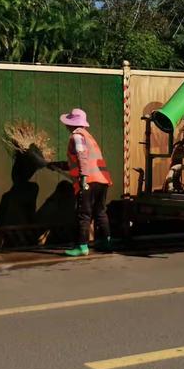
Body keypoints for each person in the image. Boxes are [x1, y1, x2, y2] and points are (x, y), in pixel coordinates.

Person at [55, 108, 113, 257]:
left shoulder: (77, 136)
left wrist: (83, 178)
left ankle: (82, 246)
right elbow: (84, 160)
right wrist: (59, 165)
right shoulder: (88, 136)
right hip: (102, 180)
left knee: (83, 213)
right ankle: (106, 242)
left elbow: (82, 156)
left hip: (90, 180)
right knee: (100, 211)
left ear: (72, 124)